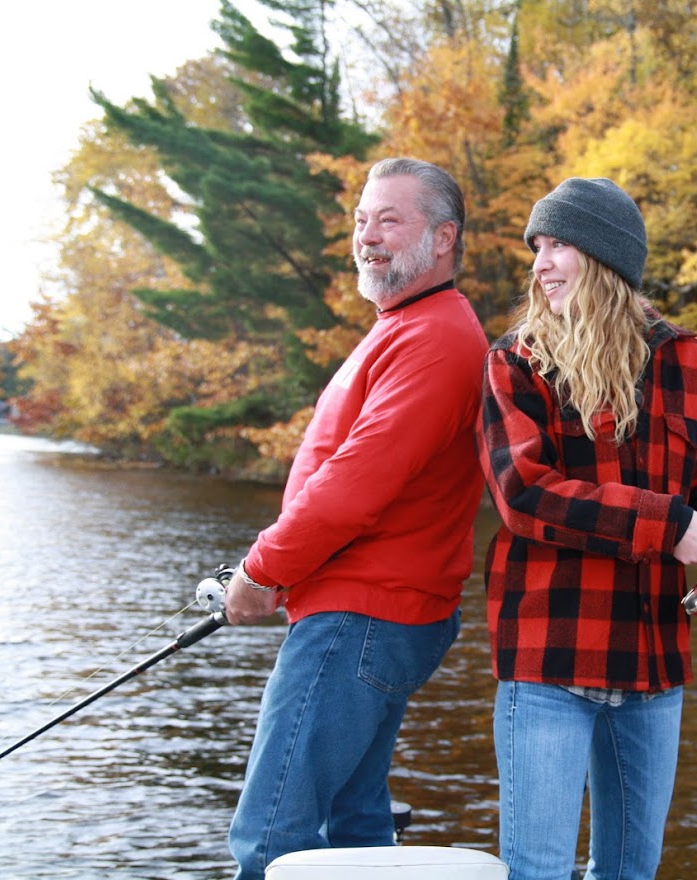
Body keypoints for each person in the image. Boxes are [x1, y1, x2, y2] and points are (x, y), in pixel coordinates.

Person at [476, 177, 697, 880]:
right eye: (536, 247)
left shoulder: (687, 359)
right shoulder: (515, 362)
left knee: (631, 873)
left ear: (606, 257)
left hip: (652, 666)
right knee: (537, 872)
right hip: (549, 660)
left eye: (558, 244)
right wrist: (668, 525)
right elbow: (525, 495)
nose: (540, 262)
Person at [222, 157, 489, 880]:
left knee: (271, 841)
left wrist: (260, 570)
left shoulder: (434, 337)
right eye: (361, 221)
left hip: (361, 620)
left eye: (390, 220)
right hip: (363, 614)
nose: (368, 237)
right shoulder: (404, 325)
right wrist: (282, 574)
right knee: (356, 827)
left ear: (443, 239)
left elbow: (354, 484)